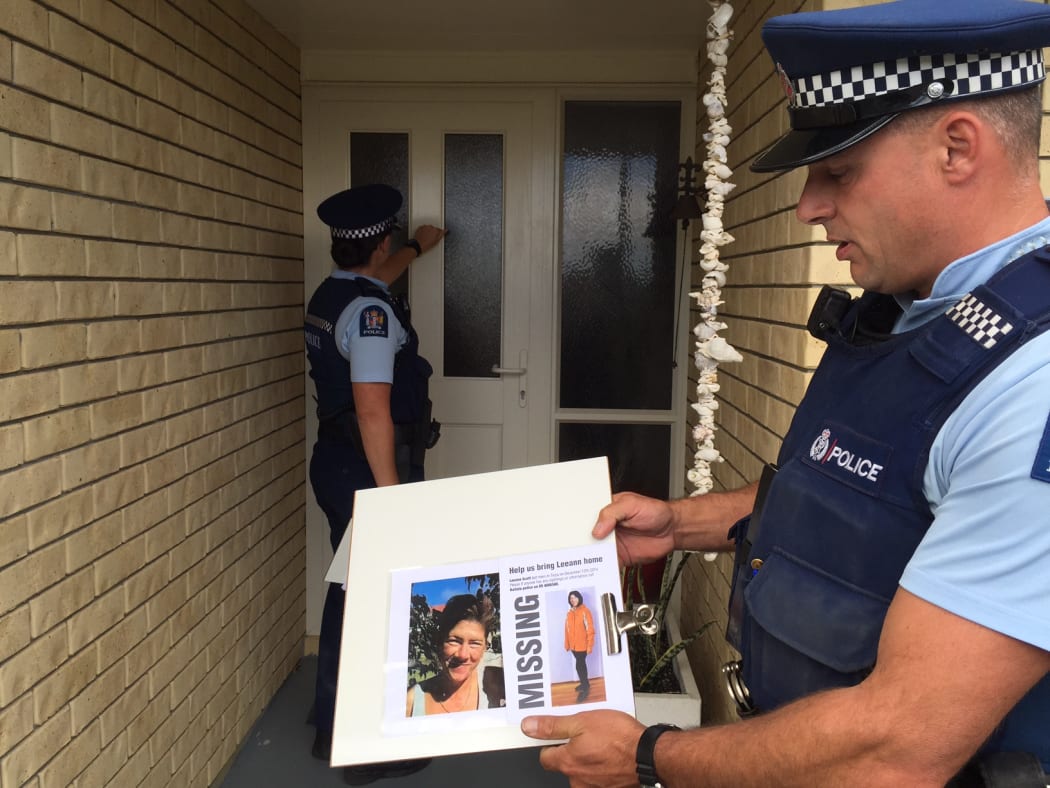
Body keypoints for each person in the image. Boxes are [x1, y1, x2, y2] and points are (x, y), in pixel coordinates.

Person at [521, 2, 1050, 786]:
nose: (808, 205)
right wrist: (681, 524)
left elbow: (899, 748)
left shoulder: (1030, 385)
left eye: (838, 171)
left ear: (957, 147)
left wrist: (647, 755)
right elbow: (850, 501)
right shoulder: (906, 315)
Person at [304, 183, 445, 784]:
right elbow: (371, 410)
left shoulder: (334, 294)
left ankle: (331, 721)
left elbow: (379, 274)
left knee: (351, 589)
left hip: (337, 463)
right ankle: (366, 750)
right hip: (368, 471)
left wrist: (417, 246)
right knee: (380, 596)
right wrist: (390, 499)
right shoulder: (371, 314)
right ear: (378, 240)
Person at [406, 593, 502, 716]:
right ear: (440, 642)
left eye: (475, 643)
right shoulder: (411, 702)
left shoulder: (496, 685)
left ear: (485, 647)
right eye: (454, 641)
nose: (463, 655)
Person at [564, 590, 595, 701]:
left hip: (582, 645)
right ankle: (585, 683)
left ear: (579, 598)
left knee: (580, 666)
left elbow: (590, 630)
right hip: (574, 647)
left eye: (575, 597)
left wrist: (590, 645)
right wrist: (567, 644)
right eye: (571, 598)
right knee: (580, 665)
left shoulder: (585, 611)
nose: (573, 600)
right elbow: (566, 630)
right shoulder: (569, 613)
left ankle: (585, 689)